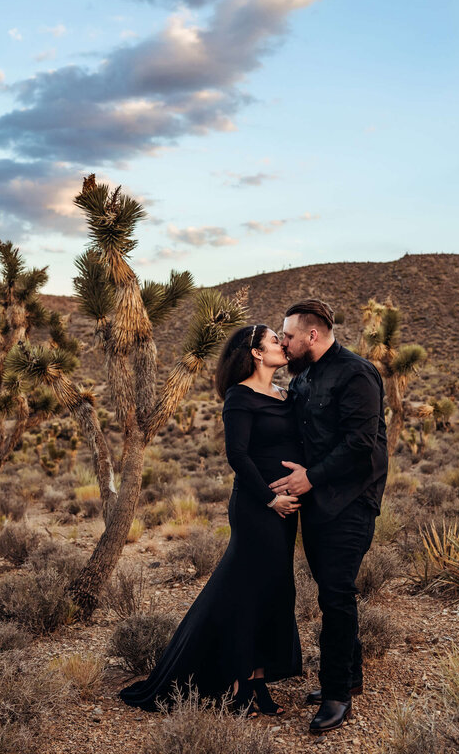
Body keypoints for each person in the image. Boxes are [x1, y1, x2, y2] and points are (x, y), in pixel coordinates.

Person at [119, 324, 303, 715]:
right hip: (258, 508)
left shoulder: (286, 395)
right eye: (274, 340)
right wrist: (271, 499)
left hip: (285, 511)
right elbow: (237, 455)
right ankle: (238, 685)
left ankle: (256, 680)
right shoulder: (240, 396)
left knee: (271, 591)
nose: (282, 345)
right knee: (246, 593)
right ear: (255, 352)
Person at [271, 298, 388, 734]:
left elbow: (361, 444)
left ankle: (337, 693)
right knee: (329, 589)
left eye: (288, 335)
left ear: (312, 335)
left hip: (352, 501)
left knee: (336, 594)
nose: (284, 342)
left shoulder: (356, 374)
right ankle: (351, 676)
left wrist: (310, 478)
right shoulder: (305, 379)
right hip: (318, 502)